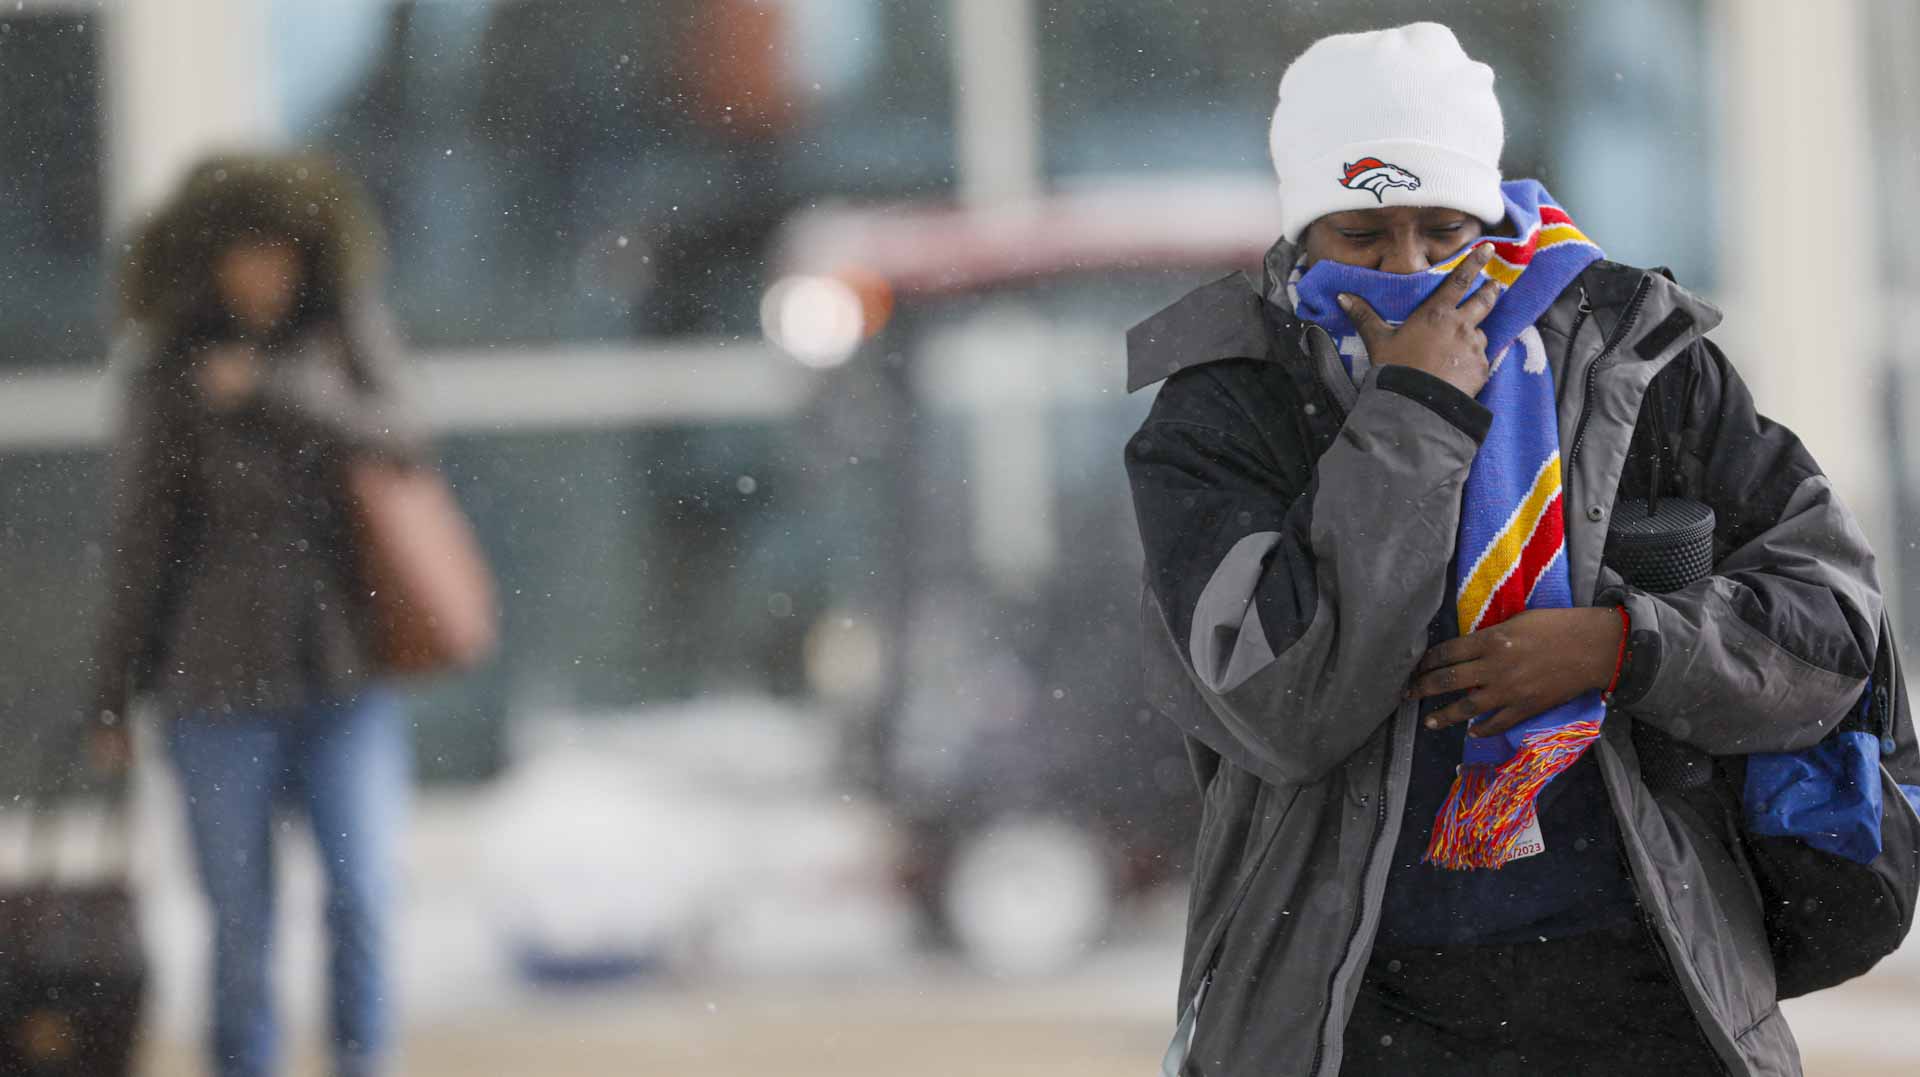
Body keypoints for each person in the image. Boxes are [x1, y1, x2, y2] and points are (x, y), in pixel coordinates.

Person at [1124, 23, 1880, 1077]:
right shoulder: (1228, 405)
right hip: (1350, 1010)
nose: (1415, 271)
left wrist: (1625, 647)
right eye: (1365, 236)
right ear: (1304, 234)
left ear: (1493, 213)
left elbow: (1835, 632)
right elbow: (1285, 705)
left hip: (1648, 984)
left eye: (1445, 231)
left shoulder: (1641, 358)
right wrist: (1416, 408)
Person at [89, 154, 425, 1077]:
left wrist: (276, 393)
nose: (261, 276)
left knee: (360, 897)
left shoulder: (341, 338)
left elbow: (406, 434)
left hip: (343, 671)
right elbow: (140, 544)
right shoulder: (166, 375)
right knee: (240, 921)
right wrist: (111, 693)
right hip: (213, 684)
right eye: (242, 256)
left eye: (277, 255)